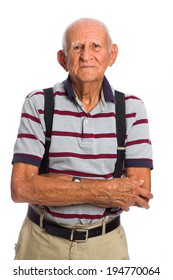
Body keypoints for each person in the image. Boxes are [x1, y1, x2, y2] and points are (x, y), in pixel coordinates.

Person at [11, 18, 153, 260]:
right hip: (41, 244)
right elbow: (21, 188)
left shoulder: (132, 109)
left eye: (96, 46)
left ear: (112, 54)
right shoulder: (39, 104)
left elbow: (139, 193)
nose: (86, 55)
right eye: (77, 47)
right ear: (63, 59)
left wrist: (54, 184)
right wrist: (101, 190)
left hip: (105, 246)